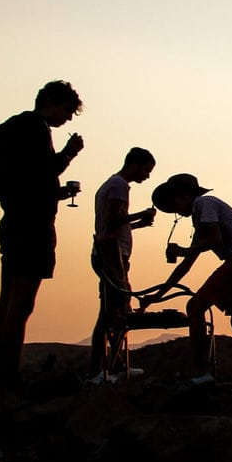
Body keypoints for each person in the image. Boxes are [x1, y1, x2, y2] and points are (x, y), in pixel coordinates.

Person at [0, 80, 84, 390]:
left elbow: (25, 181)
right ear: (51, 102)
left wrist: (55, 193)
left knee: (7, 299)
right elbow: (45, 169)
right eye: (66, 111)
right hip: (32, 227)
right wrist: (69, 153)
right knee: (21, 304)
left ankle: (1, 373)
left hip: (14, 222)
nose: (67, 119)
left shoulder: (14, 132)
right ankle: (9, 377)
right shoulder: (35, 129)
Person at [144, 173, 232, 396]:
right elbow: (187, 264)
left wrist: (183, 250)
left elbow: (214, 240)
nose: (176, 211)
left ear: (183, 195)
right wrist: (159, 295)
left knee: (194, 307)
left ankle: (201, 373)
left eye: (174, 204)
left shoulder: (204, 203)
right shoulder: (201, 216)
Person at [88, 147, 158, 384]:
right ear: (135, 164)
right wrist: (140, 215)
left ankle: (116, 365)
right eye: (146, 170)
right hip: (112, 257)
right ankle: (97, 371)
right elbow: (112, 219)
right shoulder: (119, 186)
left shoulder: (112, 184)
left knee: (117, 312)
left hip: (110, 255)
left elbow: (113, 224)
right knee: (109, 313)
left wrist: (137, 224)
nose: (147, 176)